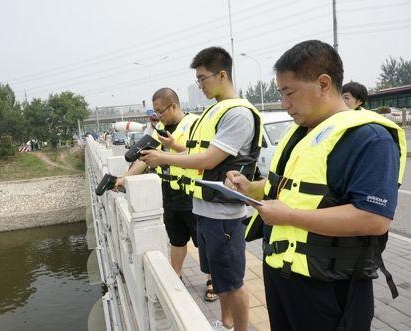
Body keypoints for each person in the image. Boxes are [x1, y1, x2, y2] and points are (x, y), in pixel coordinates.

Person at [226, 40, 406, 331]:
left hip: (330, 287)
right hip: (282, 274)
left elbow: (374, 219)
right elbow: (291, 189)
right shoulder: (301, 133)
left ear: (323, 83)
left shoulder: (369, 138)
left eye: (289, 93)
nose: (284, 103)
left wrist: (289, 216)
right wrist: (249, 188)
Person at [141, 47, 263, 331]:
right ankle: (226, 322)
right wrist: (173, 147)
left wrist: (162, 157)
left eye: (202, 78)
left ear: (222, 74)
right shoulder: (212, 112)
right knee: (219, 277)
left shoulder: (238, 114)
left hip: (223, 215)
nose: (200, 85)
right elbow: (198, 150)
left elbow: (210, 160)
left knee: (233, 281)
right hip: (203, 209)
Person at [114, 88, 212, 294]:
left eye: (160, 111)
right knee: (176, 239)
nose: (158, 116)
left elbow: (204, 157)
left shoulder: (194, 124)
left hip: (191, 194)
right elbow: (147, 158)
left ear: (174, 106)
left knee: (203, 241)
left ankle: (212, 279)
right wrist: (126, 179)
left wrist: (175, 146)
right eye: (156, 112)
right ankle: (176, 275)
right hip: (169, 193)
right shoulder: (159, 127)